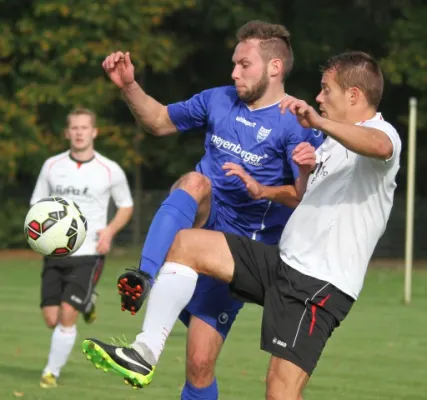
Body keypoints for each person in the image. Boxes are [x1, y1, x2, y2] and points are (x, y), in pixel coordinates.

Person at [82, 51, 401, 399]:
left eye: (326, 90)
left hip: (317, 286)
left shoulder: (381, 133)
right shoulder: (328, 146)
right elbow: (303, 195)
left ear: (354, 95)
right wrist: (266, 187)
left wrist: (319, 124)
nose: (319, 97)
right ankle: (144, 352)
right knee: (186, 244)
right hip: (281, 263)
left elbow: (380, 146)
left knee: (279, 394)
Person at [30, 108, 134, 388]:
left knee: (66, 314)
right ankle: (88, 302)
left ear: (94, 132)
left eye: (84, 128)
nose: (79, 132)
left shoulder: (109, 170)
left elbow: (126, 205)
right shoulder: (52, 166)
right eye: (74, 128)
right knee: (51, 319)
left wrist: (110, 231)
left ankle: (51, 372)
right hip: (55, 253)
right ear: (67, 133)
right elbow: (36, 205)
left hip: (89, 252)